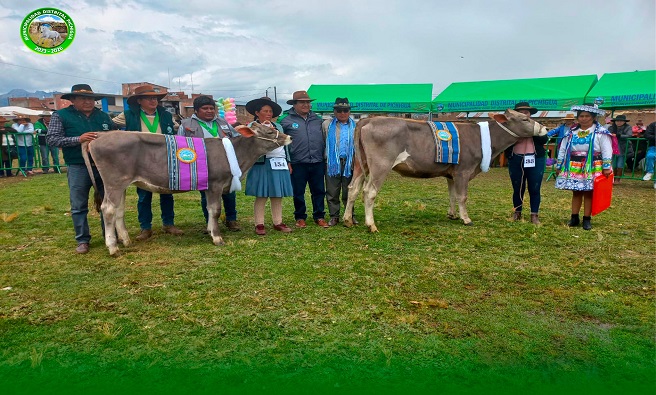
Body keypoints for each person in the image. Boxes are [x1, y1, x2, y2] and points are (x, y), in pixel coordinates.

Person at [47, 84, 117, 253]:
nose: (88, 102)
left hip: (103, 166)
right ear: (72, 100)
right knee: (78, 204)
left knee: (108, 201)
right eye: (83, 98)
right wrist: (78, 139)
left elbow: (114, 138)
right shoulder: (60, 116)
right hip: (78, 165)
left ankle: (109, 235)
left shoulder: (103, 116)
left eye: (91, 99)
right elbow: (52, 139)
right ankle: (83, 240)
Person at [113, 84, 184, 240]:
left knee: (167, 192)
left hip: (164, 158)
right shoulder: (128, 115)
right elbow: (111, 126)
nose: (153, 101)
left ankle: (169, 223)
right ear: (139, 101)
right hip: (140, 160)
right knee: (144, 195)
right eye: (149, 98)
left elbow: (177, 129)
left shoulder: (166, 115)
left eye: (155, 98)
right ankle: (145, 228)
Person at [179, 95, 241, 231]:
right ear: (196, 110)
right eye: (205, 108)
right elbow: (180, 146)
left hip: (225, 165)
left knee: (229, 193)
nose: (209, 111)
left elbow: (237, 139)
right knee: (206, 195)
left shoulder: (223, 122)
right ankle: (211, 222)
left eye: (211, 108)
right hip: (201, 166)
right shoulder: (186, 125)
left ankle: (231, 219)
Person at [555, 104, 612, 230]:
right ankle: (574, 217)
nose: (584, 119)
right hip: (574, 165)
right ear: (578, 118)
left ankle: (587, 219)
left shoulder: (600, 132)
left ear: (593, 117)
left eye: (587, 116)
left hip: (592, 165)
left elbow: (607, 149)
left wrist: (606, 166)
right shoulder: (571, 132)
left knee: (588, 193)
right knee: (576, 192)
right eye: (581, 116)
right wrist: (559, 164)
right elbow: (563, 148)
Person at [244, 97, 293, 235]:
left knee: (277, 194)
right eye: (265, 111)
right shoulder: (252, 127)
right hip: (261, 163)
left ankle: (278, 222)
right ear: (257, 112)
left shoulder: (279, 127)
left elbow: (285, 146)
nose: (269, 114)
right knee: (262, 194)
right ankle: (259, 224)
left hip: (279, 162)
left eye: (270, 111)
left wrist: (288, 161)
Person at [279, 90, 329, 228]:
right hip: (297, 162)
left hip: (317, 161)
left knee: (319, 191)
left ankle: (319, 216)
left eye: (308, 102)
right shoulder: (285, 120)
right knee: (298, 191)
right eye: (302, 102)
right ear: (294, 104)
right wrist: (287, 160)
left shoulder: (318, 119)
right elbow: (280, 142)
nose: (306, 105)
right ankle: (300, 217)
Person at [504, 102, 548, 224]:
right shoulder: (510, 126)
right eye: (521, 112)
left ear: (530, 114)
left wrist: (533, 131)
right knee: (517, 187)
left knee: (535, 187)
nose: (524, 114)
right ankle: (517, 212)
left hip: (535, 159)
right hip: (516, 158)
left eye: (526, 112)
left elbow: (544, 139)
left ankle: (534, 215)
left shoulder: (537, 125)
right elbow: (505, 141)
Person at [322, 97, 357, 227]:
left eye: (345, 110)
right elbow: (322, 141)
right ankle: (334, 216)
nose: (342, 113)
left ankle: (350, 214)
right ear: (334, 112)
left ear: (349, 111)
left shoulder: (356, 126)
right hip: (332, 163)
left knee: (349, 190)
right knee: (332, 191)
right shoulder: (326, 125)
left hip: (350, 163)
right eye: (339, 110)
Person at [607, 115, 634, 184]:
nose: (619, 122)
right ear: (615, 122)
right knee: (614, 164)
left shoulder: (628, 127)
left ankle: (618, 179)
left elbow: (629, 135)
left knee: (620, 164)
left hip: (623, 147)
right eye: (617, 121)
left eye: (621, 121)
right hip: (612, 147)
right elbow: (608, 134)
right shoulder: (611, 127)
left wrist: (618, 136)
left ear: (624, 122)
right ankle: (613, 177)